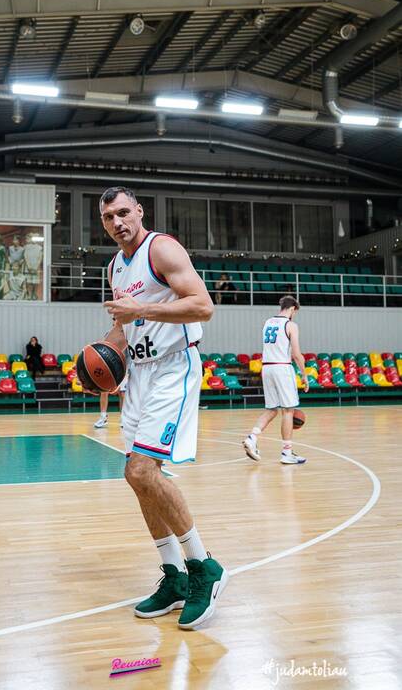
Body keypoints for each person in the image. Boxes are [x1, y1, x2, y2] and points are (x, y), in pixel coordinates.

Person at [97, 186, 226, 630]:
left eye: (123, 212)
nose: (118, 222)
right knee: (135, 477)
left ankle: (204, 566)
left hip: (174, 367)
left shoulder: (162, 249)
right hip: (139, 373)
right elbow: (122, 327)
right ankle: (174, 576)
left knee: (142, 470)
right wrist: (102, 360)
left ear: (139, 211)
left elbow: (203, 306)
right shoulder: (115, 267)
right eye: (109, 217)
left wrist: (144, 310)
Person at [243, 296, 309, 465]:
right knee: (288, 411)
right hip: (282, 368)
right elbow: (296, 354)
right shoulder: (290, 325)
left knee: (272, 409)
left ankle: (252, 437)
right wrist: (304, 374)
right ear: (293, 308)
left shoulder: (268, 323)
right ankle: (287, 453)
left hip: (267, 367)